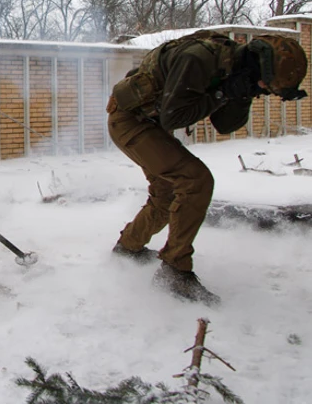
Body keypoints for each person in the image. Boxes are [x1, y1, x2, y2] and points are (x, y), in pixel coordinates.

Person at [106, 30, 308, 306]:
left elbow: (224, 125)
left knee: (167, 193)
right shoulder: (199, 58)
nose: (263, 89)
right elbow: (173, 116)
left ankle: (128, 248)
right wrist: (224, 92)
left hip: (148, 121)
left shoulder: (239, 70)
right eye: (264, 85)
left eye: (265, 89)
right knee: (195, 180)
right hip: (129, 120)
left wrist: (242, 93)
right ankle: (175, 271)